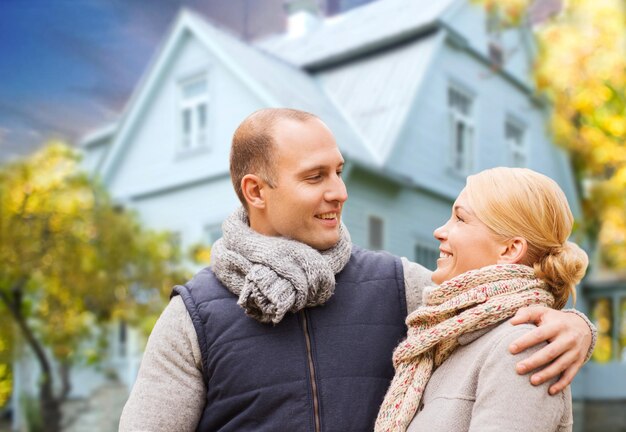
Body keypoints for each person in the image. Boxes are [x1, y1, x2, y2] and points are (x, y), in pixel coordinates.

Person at [119, 109, 595, 432]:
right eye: (314, 177)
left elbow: (488, 306)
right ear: (256, 191)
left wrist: (574, 325)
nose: (340, 192)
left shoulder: (399, 286)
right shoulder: (194, 318)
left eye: (339, 171)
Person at [375, 167, 589, 432]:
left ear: (510, 250)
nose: (439, 231)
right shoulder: (448, 338)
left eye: (460, 219)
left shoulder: (522, 347)